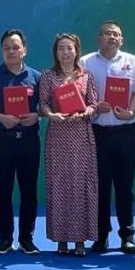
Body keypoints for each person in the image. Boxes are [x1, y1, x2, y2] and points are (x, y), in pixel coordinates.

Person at [0, 29, 42, 254]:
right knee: (3, 190)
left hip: (29, 141)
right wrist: (0, 117)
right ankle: (5, 239)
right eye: (7, 48)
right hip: (2, 141)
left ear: (24, 50)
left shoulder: (36, 77)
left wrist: (38, 114)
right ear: (2, 51)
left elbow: (47, 105)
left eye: (15, 47)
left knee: (28, 190)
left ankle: (26, 239)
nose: (11, 51)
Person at [81, 20, 135, 254]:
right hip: (97, 132)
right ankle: (101, 236)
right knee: (100, 186)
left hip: (125, 131)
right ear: (99, 38)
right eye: (107, 33)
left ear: (122, 40)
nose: (112, 37)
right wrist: (94, 107)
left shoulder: (132, 61)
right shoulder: (85, 62)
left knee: (125, 186)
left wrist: (131, 112)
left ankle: (127, 235)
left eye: (116, 34)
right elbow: (79, 94)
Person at [39, 33, 98, 256]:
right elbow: (43, 104)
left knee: (81, 186)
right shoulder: (48, 76)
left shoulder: (86, 76)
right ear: (55, 52)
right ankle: (61, 239)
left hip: (81, 137)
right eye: (61, 48)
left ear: (76, 51)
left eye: (69, 48)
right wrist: (51, 114)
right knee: (59, 185)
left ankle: (80, 240)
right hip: (58, 136)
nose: (65, 52)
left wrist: (85, 112)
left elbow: (93, 105)